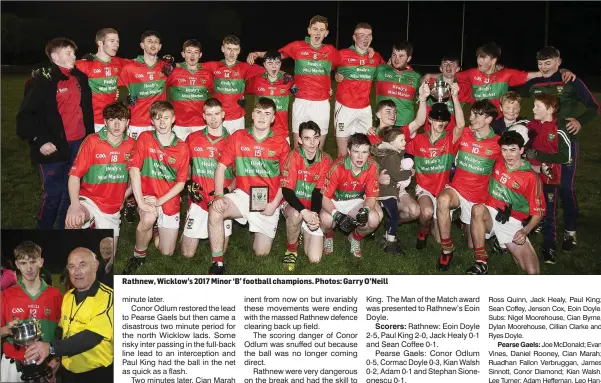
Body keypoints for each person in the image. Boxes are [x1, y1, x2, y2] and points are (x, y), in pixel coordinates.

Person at [523, 46, 600, 251]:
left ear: (558, 61)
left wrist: (581, 121)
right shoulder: (535, 82)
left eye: (548, 63)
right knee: (542, 186)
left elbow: (594, 106)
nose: (544, 67)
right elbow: (510, 84)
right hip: (541, 144)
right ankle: (541, 219)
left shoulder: (570, 80)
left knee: (565, 187)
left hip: (566, 143)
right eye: (540, 63)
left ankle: (570, 230)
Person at [16, 37, 95, 230]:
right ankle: (41, 231)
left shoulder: (80, 78)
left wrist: (89, 138)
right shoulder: (41, 80)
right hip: (53, 146)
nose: (73, 56)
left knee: (70, 193)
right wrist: (40, 141)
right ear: (54, 56)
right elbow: (25, 116)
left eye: (73, 52)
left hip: (78, 144)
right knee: (54, 193)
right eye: (68, 53)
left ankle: (62, 229)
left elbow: (87, 110)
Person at [208, 98, 290, 275]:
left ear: (273, 118)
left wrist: (274, 204)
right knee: (216, 209)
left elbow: (287, 179)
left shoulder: (281, 142)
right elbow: (221, 167)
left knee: (261, 253)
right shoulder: (238, 136)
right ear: (252, 115)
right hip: (243, 195)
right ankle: (217, 263)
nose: (262, 117)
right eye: (259, 112)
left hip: (267, 200)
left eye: (267, 114)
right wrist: (219, 196)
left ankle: (257, 225)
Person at [247, 15, 338, 149]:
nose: (317, 33)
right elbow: (277, 55)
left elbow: (344, 64)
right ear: (309, 30)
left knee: (318, 144)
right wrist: (257, 54)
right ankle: (297, 168)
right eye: (315, 29)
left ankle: (316, 169)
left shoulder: (330, 50)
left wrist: (338, 74)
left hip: (321, 103)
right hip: (301, 101)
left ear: (326, 33)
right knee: (297, 145)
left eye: (321, 29)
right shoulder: (297, 46)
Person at [24, 248, 114, 382]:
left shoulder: (108, 297)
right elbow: (62, 329)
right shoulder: (68, 296)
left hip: (96, 374)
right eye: (72, 266)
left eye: (82, 265)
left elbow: (92, 337)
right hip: (68, 373)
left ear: (95, 266)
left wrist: (52, 348)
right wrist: (57, 359)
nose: (77, 272)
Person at [123, 101, 190, 274]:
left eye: (166, 118)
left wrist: (160, 201)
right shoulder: (145, 138)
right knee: (147, 218)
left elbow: (181, 183)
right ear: (152, 121)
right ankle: (138, 256)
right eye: (157, 118)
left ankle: (156, 231)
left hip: (168, 200)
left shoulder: (182, 147)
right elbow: (134, 169)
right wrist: (141, 202)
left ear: (173, 119)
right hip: (147, 196)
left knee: (166, 252)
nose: (162, 122)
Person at [421, 42, 575, 115]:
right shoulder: (472, 73)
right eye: (478, 58)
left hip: (500, 120)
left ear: (493, 60)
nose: (479, 61)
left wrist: (561, 69)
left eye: (483, 58)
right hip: (477, 120)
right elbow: (450, 75)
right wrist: (430, 75)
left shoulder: (506, 74)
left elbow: (537, 73)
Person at [436, 99, 502, 271]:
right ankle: (447, 248)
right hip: (457, 190)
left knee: (473, 245)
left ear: (488, 119)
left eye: (476, 114)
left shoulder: (498, 144)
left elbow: (508, 169)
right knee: (442, 199)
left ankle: (480, 253)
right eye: (471, 113)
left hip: (477, 198)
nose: (471, 117)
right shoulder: (464, 133)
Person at [469, 131, 545, 275]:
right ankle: (481, 261)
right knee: (477, 209)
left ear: (522, 150)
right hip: (490, 214)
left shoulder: (531, 178)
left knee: (533, 272)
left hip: (511, 222)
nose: (508, 155)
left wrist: (525, 230)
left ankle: (501, 242)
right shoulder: (498, 160)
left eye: (513, 150)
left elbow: (538, 213)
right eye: (504, 149)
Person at [65, 101, 135, 249]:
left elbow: (136, 179)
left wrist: (123, 196)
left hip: (112, 207)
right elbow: (74, 176)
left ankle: (93, 226)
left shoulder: (132, 145)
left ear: (128, 122)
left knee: (109, 256)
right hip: (89, 200)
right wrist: (75, 206)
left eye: (121, 120)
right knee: (73, 220)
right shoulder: (92, 141)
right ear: (104, 122)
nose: (116, 125)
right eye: (111, 120)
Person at [406, 83, 466, 250]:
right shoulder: (418, 139)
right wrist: (408, 167)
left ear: (447, 122)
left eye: (444, 120)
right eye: (436, 119)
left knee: (440, 240)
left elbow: (460, 125)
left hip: (444, 189)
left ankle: (436, 222)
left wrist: (454, 97)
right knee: (426, 213)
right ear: (430, 120)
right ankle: (423, 231)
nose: (440, 122)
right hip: (425, 188)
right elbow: (406, 156)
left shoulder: (449, 139)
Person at [0, 241, 62, 382]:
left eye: (33, 262)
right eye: (23, 263)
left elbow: (64, 330)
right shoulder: (6, 295)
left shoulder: (55, 294)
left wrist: (57, 358)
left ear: (41, 262)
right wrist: (6, 330)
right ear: (17, 265)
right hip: (13, 367)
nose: (29, 268)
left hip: (46, 365)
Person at [181, 98, 235, 258]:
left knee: (221, 252)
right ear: (203, 116)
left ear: (223, 115)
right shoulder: (192, 138)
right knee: (187, 254)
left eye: (217, 114)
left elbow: (241, 176)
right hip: (199, 200)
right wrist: (189, 184)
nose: (213, 118)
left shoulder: (233, 140)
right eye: (209, 114)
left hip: (221, 200)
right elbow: (185, 167)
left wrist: (226, 191)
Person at [320, 133, 384, 258]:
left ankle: (355, 237)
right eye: (356, 151)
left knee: (373, 219)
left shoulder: (372, 166)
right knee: (327, 221)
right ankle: (328, 236)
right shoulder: (337, 167)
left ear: (369, 152)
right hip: (335, 201)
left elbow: (371, 196)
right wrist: (336, 215)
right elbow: (324, 197)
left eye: (364, 152)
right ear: (349, 151)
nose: (360, 156)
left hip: (356, 201)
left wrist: (365, 210)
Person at [280, 121, 333, 270]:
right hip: (293, 204)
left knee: (315, 259)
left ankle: (304, 228)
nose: (312, 142)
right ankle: (291, 249)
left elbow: (318, 192)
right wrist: (304, 212)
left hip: (312, 207)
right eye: (307, 138)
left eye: (315, 138)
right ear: (300, 140)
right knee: (296, 215)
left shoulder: (326, 160)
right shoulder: (293, 156)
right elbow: (287, 191)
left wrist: (314, 215)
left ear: (319, 139)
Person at [524, 94, 571, 264]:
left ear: (550, 110)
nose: (533, 109)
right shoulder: (533, 125)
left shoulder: (558, 129)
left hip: (549, 178)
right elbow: (523, 135)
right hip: (530, 176)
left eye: (537, 107)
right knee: (524, 207)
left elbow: (566, 156)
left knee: (549, 213)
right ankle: (516, 239)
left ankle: (549, 247)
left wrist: (540, 156)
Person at [333, 22, 386, 157]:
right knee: (343, 152)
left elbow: (388, 69)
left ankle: (360, 178)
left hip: (365, 109)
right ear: (354, 38)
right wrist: (335, 75)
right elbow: (325, 67)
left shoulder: (375, 57)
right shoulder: (342, 54)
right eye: (361, 35)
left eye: (368, 35)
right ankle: (340, 177)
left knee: (364, 151)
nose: (365, 38)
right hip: (345, 108)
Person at [203, 35, 266, 134]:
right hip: (217, 117)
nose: (232, 53)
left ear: (239, 50)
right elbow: (191, 67)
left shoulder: (245, 67)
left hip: (237, 118)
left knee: (236, 147)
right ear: (222, 49)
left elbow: (272, 68)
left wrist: (257, 54)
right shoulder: (213, 66)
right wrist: (173, 64)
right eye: (229, 49)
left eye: (235, 49)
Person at [117, 30, 172, 139]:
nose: (153, 44)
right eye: (149, 41)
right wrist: (128, 103)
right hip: (137, 123)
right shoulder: (129, 68)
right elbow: (121, 96)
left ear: (160, 46)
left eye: (156, 42)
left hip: (160, 123)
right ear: (142, 45)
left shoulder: (166, 68)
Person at [75, 28, 129, 132]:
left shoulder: (120, 63)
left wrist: (165, 62)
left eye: (117, 41)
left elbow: (141, 63)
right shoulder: (85, 64)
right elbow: (63, 67)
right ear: (100, 43)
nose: (116, 45)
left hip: (114, 120)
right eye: (112, 41)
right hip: (94, 122)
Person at [370, 127, 413, 254]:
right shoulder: (392, 156)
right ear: (392, 143)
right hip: (387, 192)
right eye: (401, 140)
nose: (405, 142)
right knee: (394, 216)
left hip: (389, 191)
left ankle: (389, 236)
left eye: (404, 140)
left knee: (392, 215)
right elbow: (396, 176)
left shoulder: (393, 154)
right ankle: (390, 242)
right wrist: (408, 173)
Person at [167, 39, 214, 141]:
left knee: (199, 155)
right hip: (179, 124)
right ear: (183, 54)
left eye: (196, 52)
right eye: (189, 52)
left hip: (200, 123)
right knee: (179, 155)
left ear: (200, 55)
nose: (192, 55)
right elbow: (159, 87)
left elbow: (215, 92)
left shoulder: (207, 74)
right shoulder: (174, 72)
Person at [244, 50, 294, 141]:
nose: (274, 66)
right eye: (270, 63)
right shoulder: (257, 81)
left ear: (280, 64)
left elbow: (302, 91)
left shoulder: (288, 81)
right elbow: (241, 89)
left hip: (281, 132)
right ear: (264, 64)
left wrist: (328, 90)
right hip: (260, 131)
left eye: (277, 63)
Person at [374, 41, 422, 126]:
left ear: (409, 58)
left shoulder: (416, 77)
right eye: (394, 55)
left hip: (405, 125)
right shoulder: (380, 70)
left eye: (401, 56)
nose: (396, 59)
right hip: (383, 124)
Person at [423, 55, 473, 133]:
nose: (448, 66)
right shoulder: (429, 84)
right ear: (440, 68)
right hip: (430, 133)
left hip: (452, 135)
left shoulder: (465, 88)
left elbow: (466, 115)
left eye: (452, 64)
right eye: (445, 63)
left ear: (457, 69)